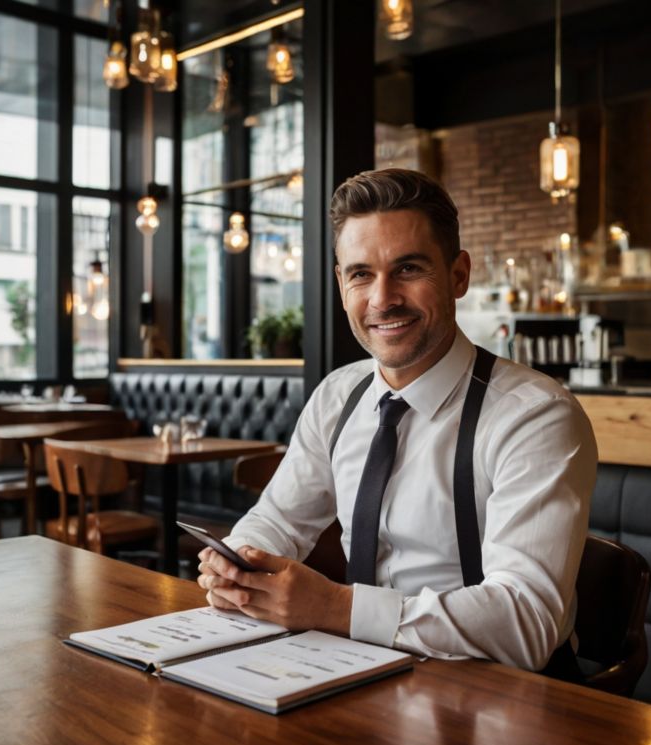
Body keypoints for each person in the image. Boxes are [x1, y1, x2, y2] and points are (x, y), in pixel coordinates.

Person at [197, 168, 597, 672]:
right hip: (351, 671)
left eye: (408, 268)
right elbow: (278, 519)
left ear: (458, 275)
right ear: (341, 284)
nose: (382, 299)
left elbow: (526, 621)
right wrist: (237, 564)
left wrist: (334, 607)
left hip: (493, 693)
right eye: (361, 274)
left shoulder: (533, 415)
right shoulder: (338, 396)